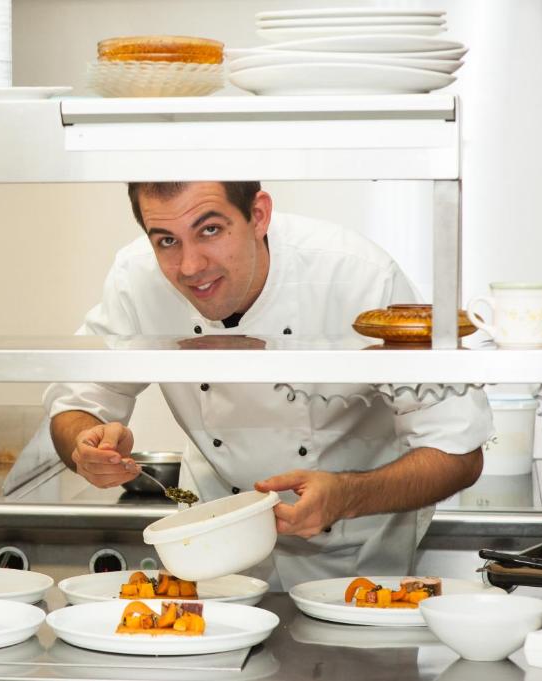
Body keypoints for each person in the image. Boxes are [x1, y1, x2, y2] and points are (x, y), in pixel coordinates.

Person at [45, 181, 491, 588]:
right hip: (214, 552)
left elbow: (458, 452)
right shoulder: (136, 277)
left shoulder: (356, 275)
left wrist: (348, 495)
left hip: (355, 560)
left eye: (211, 230)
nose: (190, 265)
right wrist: (86, 445)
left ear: (258, 215)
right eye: (166, 240)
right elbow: (76, 402)